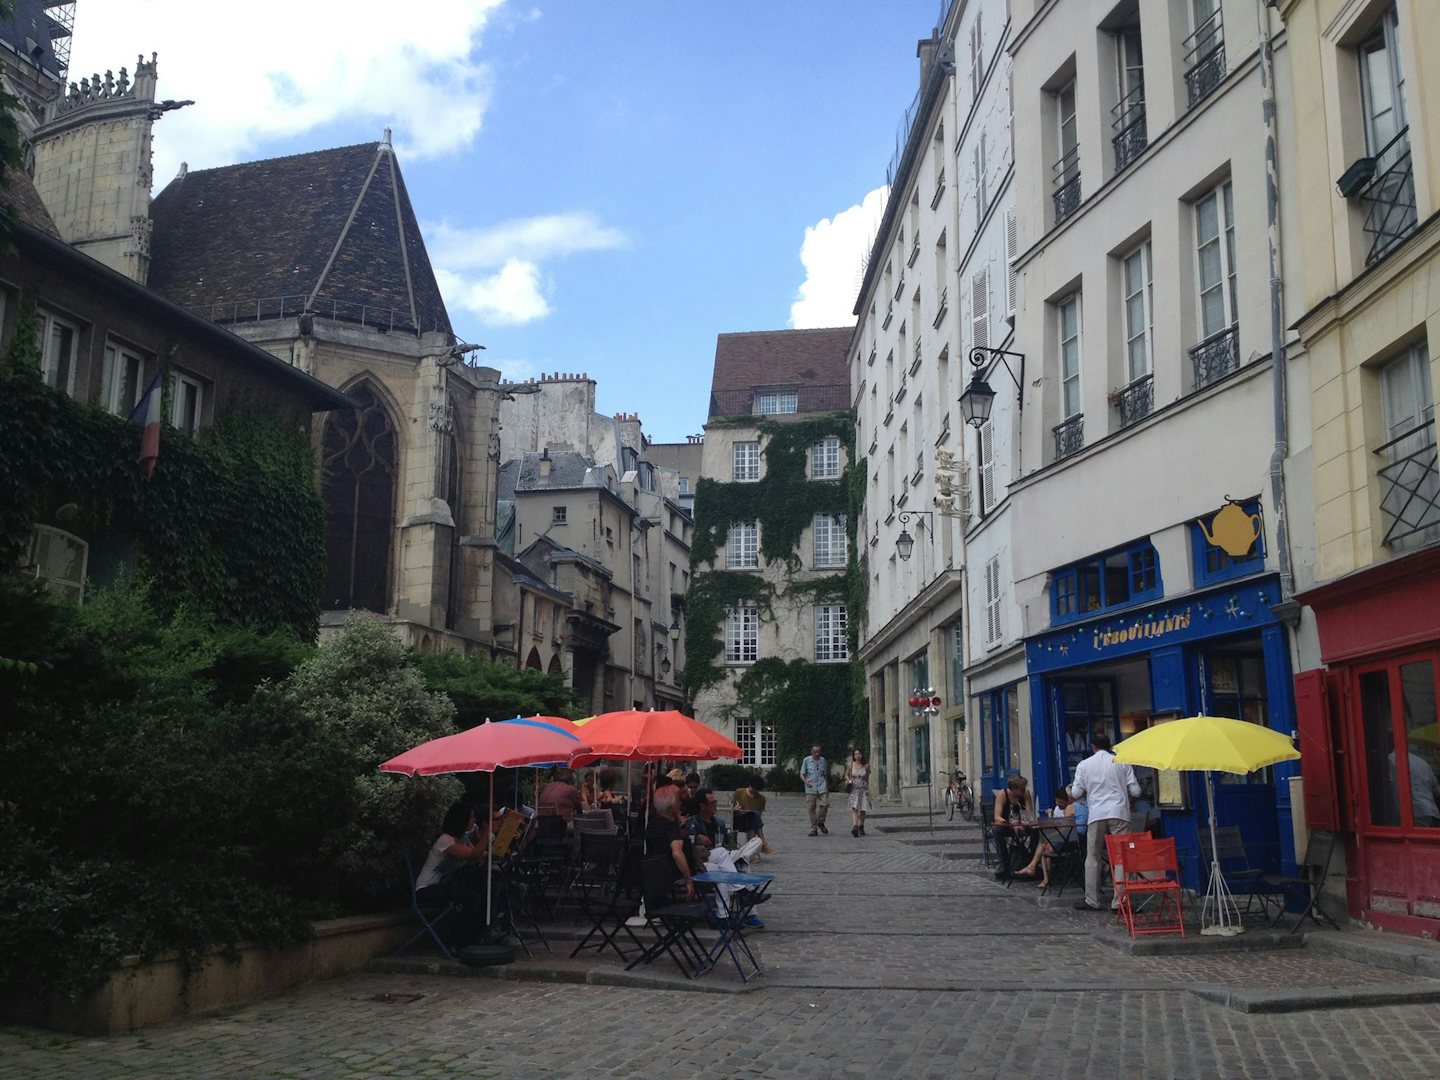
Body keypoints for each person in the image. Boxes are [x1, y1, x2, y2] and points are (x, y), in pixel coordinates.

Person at [1069, 733, 1141, 911]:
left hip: (1096, 813)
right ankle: (1119, 901)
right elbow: (1136, 791)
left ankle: (1091, 900)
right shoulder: (1122, 762)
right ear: (1110, 746)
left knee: (1092, 856)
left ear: (1093, 746)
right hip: (1119, 812)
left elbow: (1076, 793)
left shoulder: (1084, 765)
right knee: (1121, 856)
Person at [414, 801, 498, 945]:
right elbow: (473, 854)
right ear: (462, 819)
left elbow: (481, 854)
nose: (474, 821)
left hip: (447, 884)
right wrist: (487, 832)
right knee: (471, 897)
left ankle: (478, 935)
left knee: (487, 888)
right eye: (471, 818)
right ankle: (460, 941)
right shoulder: (445, 840)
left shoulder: (463, 838)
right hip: (428, 888)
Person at [645, 785, 696, 900]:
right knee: (719, 863)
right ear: (670, 806)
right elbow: (677, 854)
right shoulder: (670, 826)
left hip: (657, 872)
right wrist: (689, 881)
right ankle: (723, 911)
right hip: (675, 873)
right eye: (678, 801)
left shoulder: (652, 824)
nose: (680, 804)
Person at [993, 774, 1039, 879]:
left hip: (1023, 825)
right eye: (1022, 789)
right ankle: (1004, 862)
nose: (1024, 791)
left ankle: (1032, 860)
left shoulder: (1025, 794)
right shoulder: (1003, 794)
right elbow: (997, 817)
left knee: (1036, 831)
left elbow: (1029, 813)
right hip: (1006, 826)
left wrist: (1023, 822)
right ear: (1014, 789)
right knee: (997, 831)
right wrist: (1011, 824)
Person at [732, 775, 774, 855]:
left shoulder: (761, 799)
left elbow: (759, 816)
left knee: (754, 817)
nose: (753, 791)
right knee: (754, 817)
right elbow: (730, 809)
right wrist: (735, 809)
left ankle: (751, 851)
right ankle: (762, 841)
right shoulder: (740, 792)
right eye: (752, 788)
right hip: (737, 819)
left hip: (750, 822)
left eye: (755, 790)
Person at [800, 744, 830, 836]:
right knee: (811, 808)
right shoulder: (806, 760)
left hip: (822, 785)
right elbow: (802, 773)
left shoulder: (823, 760)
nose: (817, 754)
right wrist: (805, 781)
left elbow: (824, 774)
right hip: (810, 787)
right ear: (811, 752)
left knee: (825, 804)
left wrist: (827, 786)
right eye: (815, 752)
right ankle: (813, 828)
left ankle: (820, 821)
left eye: (819, 752)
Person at [846, 748, 873, 837]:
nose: (857, 756)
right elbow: (846, 774)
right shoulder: (851, 765)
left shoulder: (866, 766)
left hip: (862, 788)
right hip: (854, 789)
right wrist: (848, 780)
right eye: (855, 754)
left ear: (862, 755)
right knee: (854, 808)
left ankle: (861, 825)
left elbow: (867, 777)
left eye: (859, 754)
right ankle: (855, 826)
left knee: (862, 808)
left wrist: (868, 788)